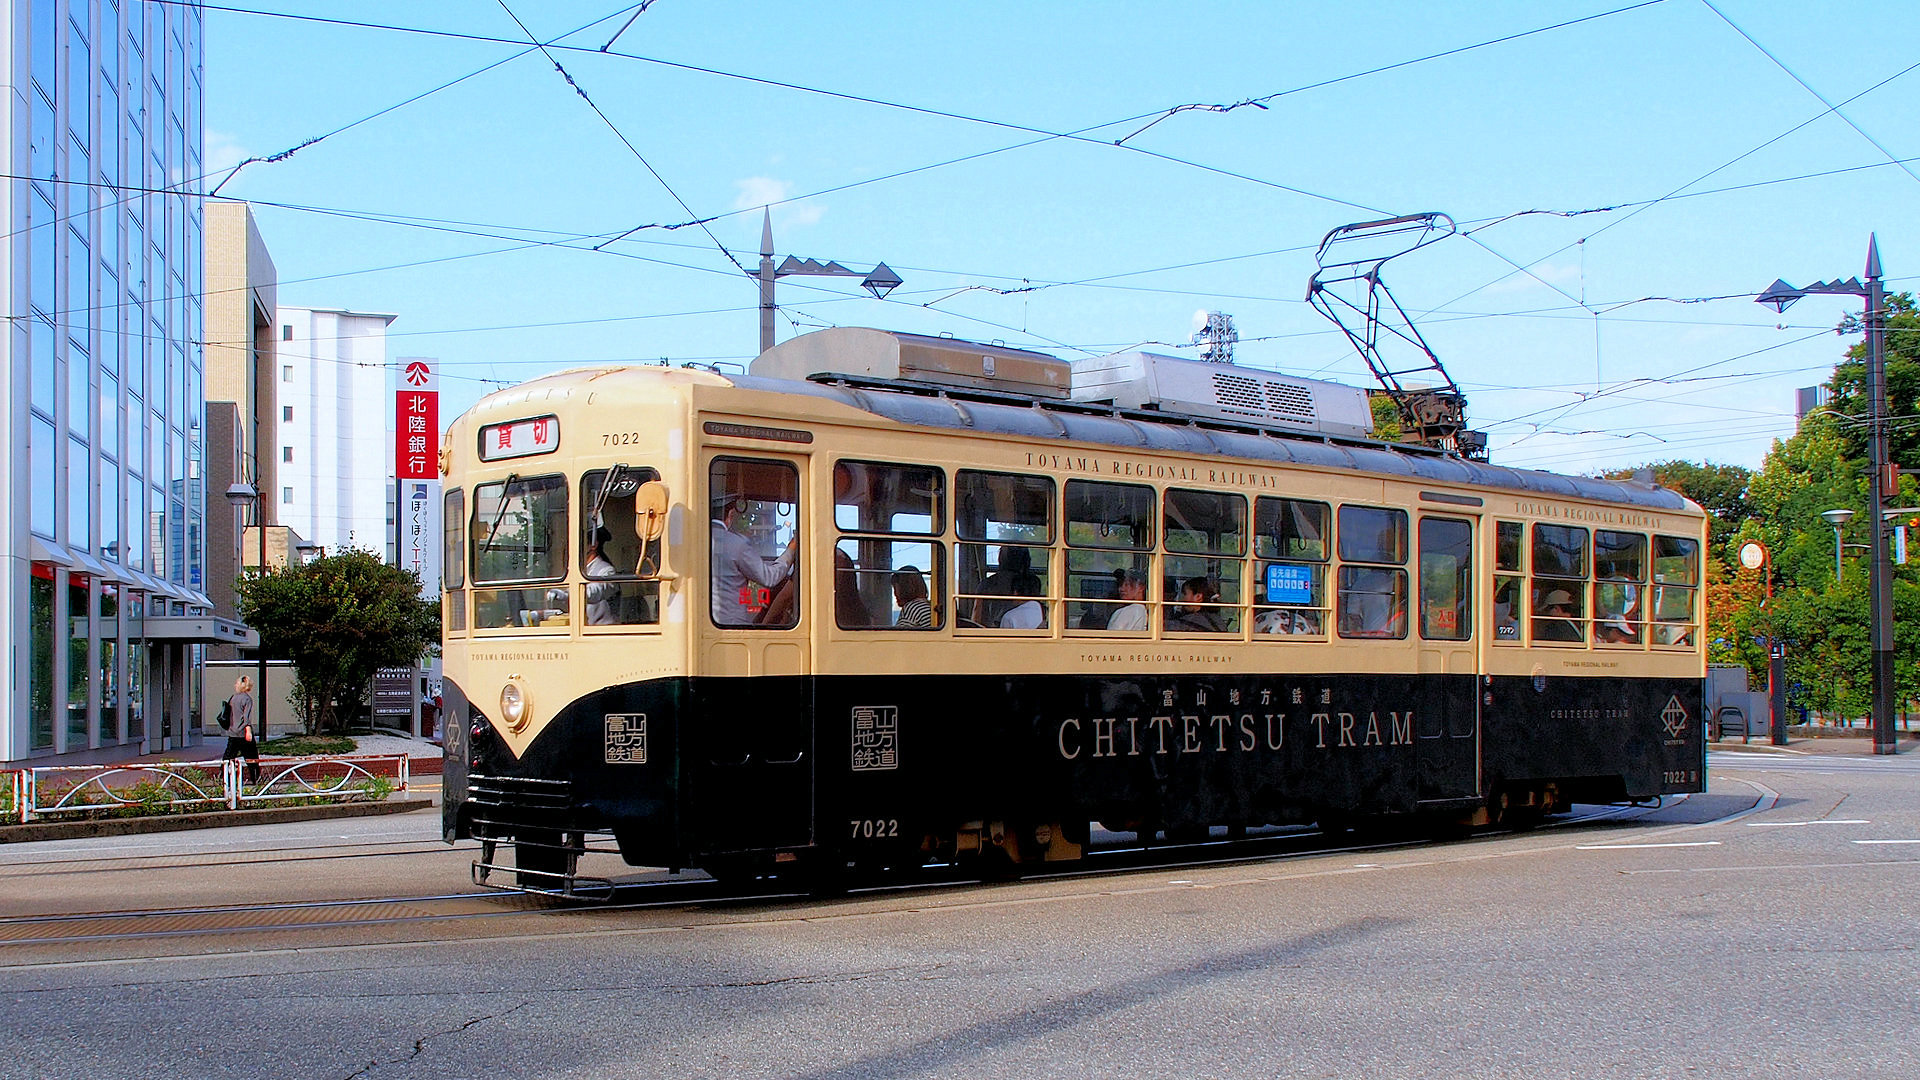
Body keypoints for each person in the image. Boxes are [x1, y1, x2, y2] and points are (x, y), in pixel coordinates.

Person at [710, 494, 796, 625]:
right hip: (732, 626)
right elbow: (769, 578)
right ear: (731, 514)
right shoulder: (737, 544)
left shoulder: (695, 542)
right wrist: (791, 549)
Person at [224, 674, 261, 785]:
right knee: (252, 757)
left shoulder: (233, 698)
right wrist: (248, 731)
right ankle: (255, 779)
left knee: (228, 757)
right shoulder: (247, 699)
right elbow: (246, 717)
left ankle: (223, 778)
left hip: (232, 732)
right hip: (243, 732)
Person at [584, 525, 621, 625]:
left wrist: (569, 594)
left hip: (603, 631)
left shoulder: (607, 571)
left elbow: (596, 591)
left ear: (593, 545)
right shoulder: (582, 570)